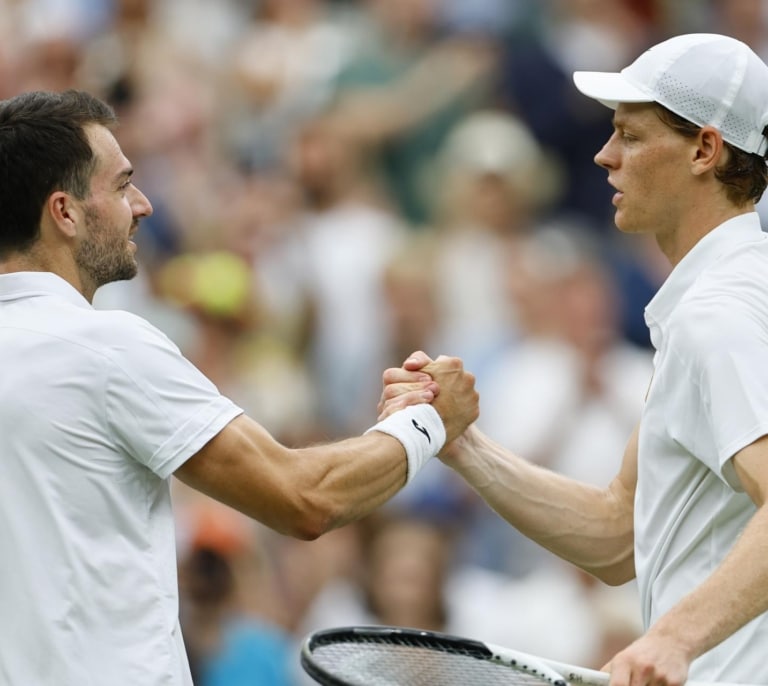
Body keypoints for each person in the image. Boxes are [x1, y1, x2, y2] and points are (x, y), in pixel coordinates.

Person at [0, 89, 479, 685]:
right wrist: (429, 420)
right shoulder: (106, 346)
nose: (144, 205)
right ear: (65, 212)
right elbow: (305, 498)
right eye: (123, 186)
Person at [380, 33, 768, 685]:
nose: (605, 156)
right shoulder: (725, 299)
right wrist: (463, 444)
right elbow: (619, 536)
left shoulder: (717, 316)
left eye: (631, 136)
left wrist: (673, 637)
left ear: (705, 149)